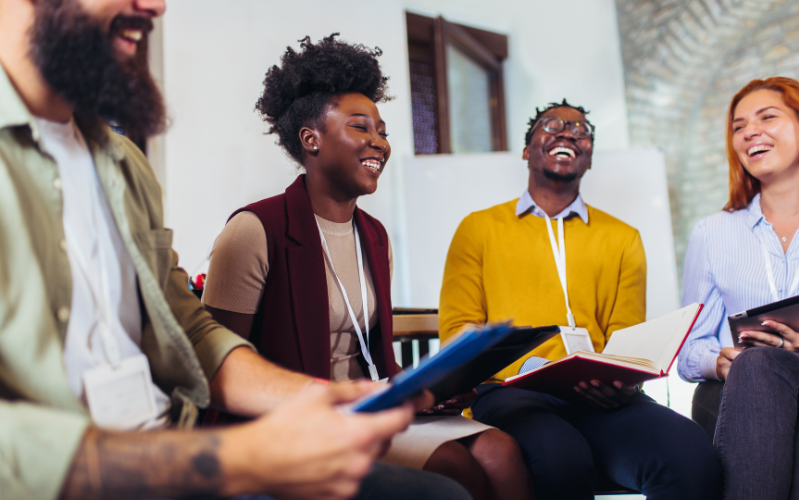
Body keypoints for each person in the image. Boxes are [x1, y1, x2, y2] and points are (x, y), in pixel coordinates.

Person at [0, 1, 475, 499]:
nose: (155, 6)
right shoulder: (256, 228)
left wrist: (324, 399)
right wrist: (238, 458)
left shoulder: (120, 163)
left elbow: (189, 329)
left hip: (171, 443)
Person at [201, 34, 530, 500]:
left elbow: (376, 356)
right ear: (310, 138)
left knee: (501, 452)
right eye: (361, 127)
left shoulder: (373, 235)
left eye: (382, 130)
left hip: (372, 405)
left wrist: (434, 389)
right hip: (295, 422)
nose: (379, 142)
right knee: (456, 468)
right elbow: (219, 366)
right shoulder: (255, 230)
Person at [438, 99, 722, 500]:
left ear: (588, 158)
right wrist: (519, 369)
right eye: (551, 125)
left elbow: (625, 336)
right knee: (560, 458)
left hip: (598, 393)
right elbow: (458, 331)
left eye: (581, 130)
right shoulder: (478, 228)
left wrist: (621, 379)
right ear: (526, 150)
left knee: (690, 455)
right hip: (509, 392)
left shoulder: (623, 237)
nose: (568, 132)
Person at [679, 76, 799, 499]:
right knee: (758, 364)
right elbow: (687, 349)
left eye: (768, 117)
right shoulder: (713, 233)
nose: (751, 132)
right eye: (738, 126)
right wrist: (723, 361)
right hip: (754, 386)